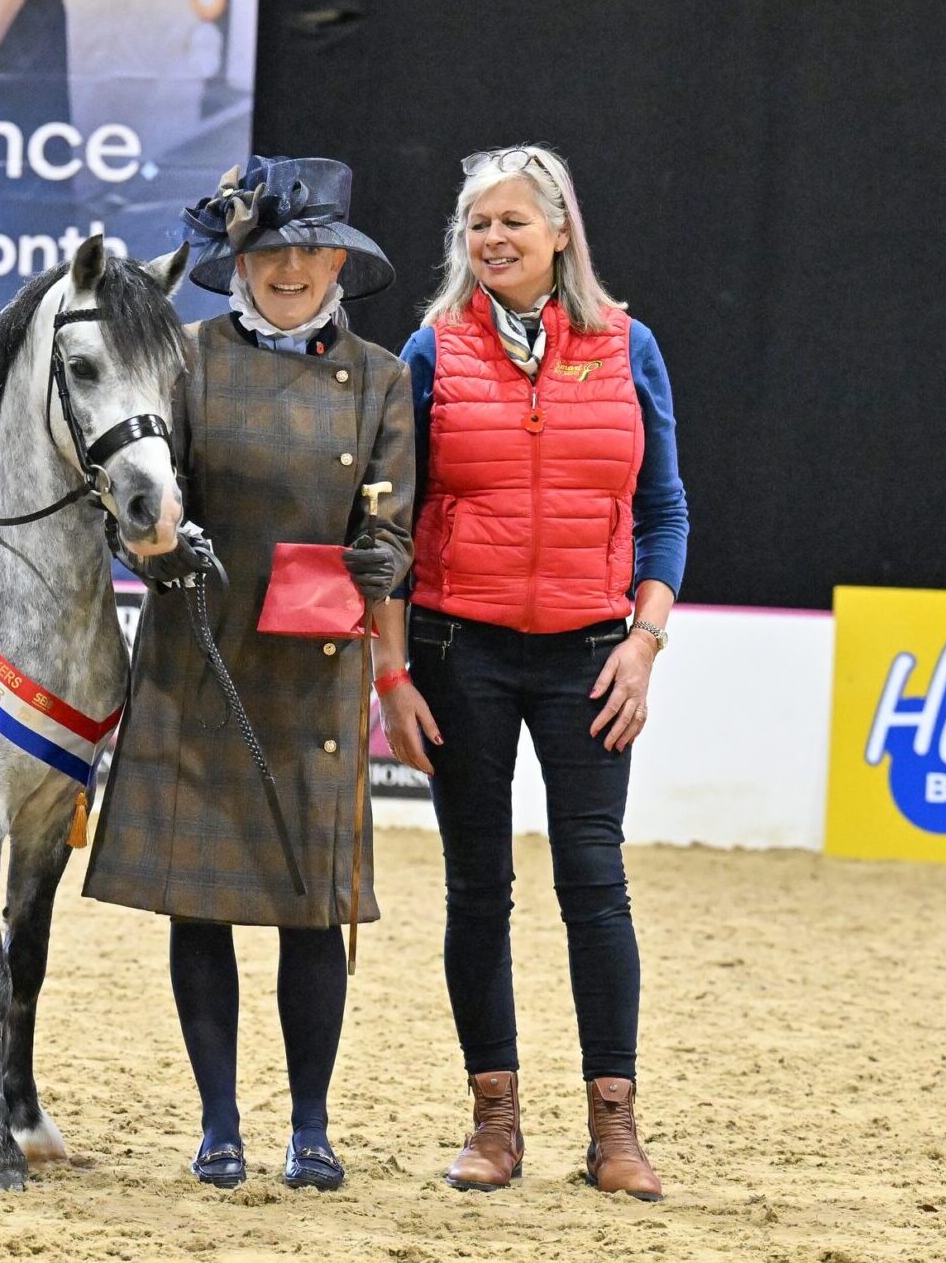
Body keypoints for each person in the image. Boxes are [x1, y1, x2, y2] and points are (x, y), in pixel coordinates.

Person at [82, 156, 413, 1192]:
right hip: (202, 654)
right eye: (270, 248)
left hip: (314, 672)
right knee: (202, 904)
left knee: (315, 909)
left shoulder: (384, 377)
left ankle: (310, 1125)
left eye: (311, 250)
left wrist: (383, 563)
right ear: (240, 256)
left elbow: (396, 524)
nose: (289, 267)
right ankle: (217, 1122)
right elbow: (130, 504)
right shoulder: (182, 358)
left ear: (337, 263)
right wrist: (153, 548)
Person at [381, 144, 690, 1201]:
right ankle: (495, 1122)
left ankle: (615, 1128)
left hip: (592, 655)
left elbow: (664, 512)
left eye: (515, 221)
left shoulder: (628, 346)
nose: (495, 240)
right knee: (479, 887)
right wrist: (391, 675)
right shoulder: (430, 349)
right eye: (478, 225)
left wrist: (643, 642)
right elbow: (387, 517)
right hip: (457, 652)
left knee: (593, 884)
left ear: (562, 232)